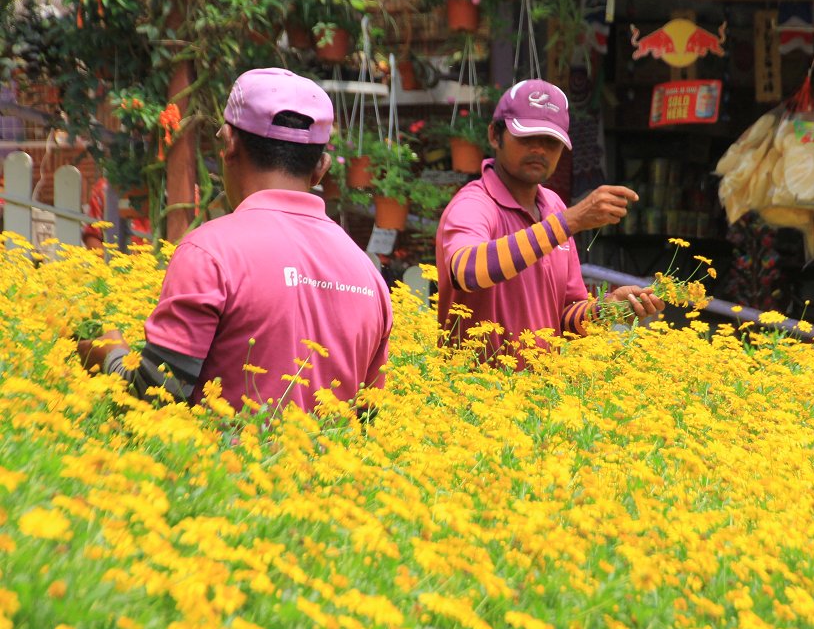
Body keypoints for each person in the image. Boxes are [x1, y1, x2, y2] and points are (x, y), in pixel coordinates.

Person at [78, 68, 392, 411]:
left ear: (228, 143)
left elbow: (155, 400)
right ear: (321, 168)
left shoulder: (209, 253)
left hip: (217, 464)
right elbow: (366, 421)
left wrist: (110, 357)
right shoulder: (369, 276)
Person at [435, 78, 664, 361]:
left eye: (551, 141)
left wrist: (606, 308)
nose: (540, 150)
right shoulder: (474, 204)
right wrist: (569, 221)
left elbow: (566, 316)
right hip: (474, 395)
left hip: (541, 396)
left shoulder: (554, 206)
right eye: (526, 137)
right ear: (495, 136)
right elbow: (466, 271)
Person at [81, 178, 152, 249]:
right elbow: (92, 236)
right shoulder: (104, 188)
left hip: (153, 256)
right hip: (114, 255)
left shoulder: (159, 189)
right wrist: (110, 258)